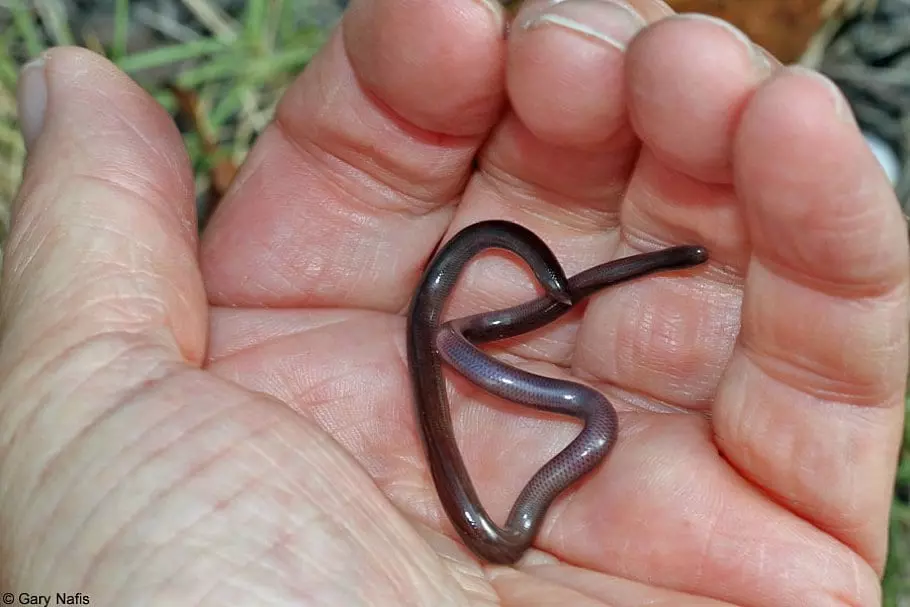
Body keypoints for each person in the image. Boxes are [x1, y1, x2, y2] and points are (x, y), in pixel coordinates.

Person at [2, 1, 907, 605]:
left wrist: (545, 300)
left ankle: (854, 136)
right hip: (483, 393)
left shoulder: (472, 331)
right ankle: (869, 137)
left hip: (495, 352)